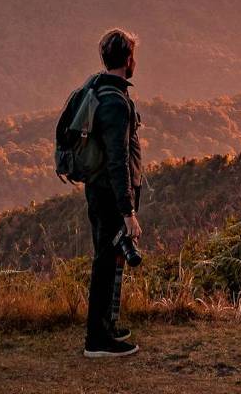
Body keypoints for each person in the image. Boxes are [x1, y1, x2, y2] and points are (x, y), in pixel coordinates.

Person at [81, 27, 144, 358]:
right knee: (106, 262)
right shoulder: (115, 102)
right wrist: (128, 211)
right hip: (110, 196)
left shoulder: (101, 90)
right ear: (129, 59)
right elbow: (118, 161)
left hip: (100, 191)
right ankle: (97, 340)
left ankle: (107, 326)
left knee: (111, 259)